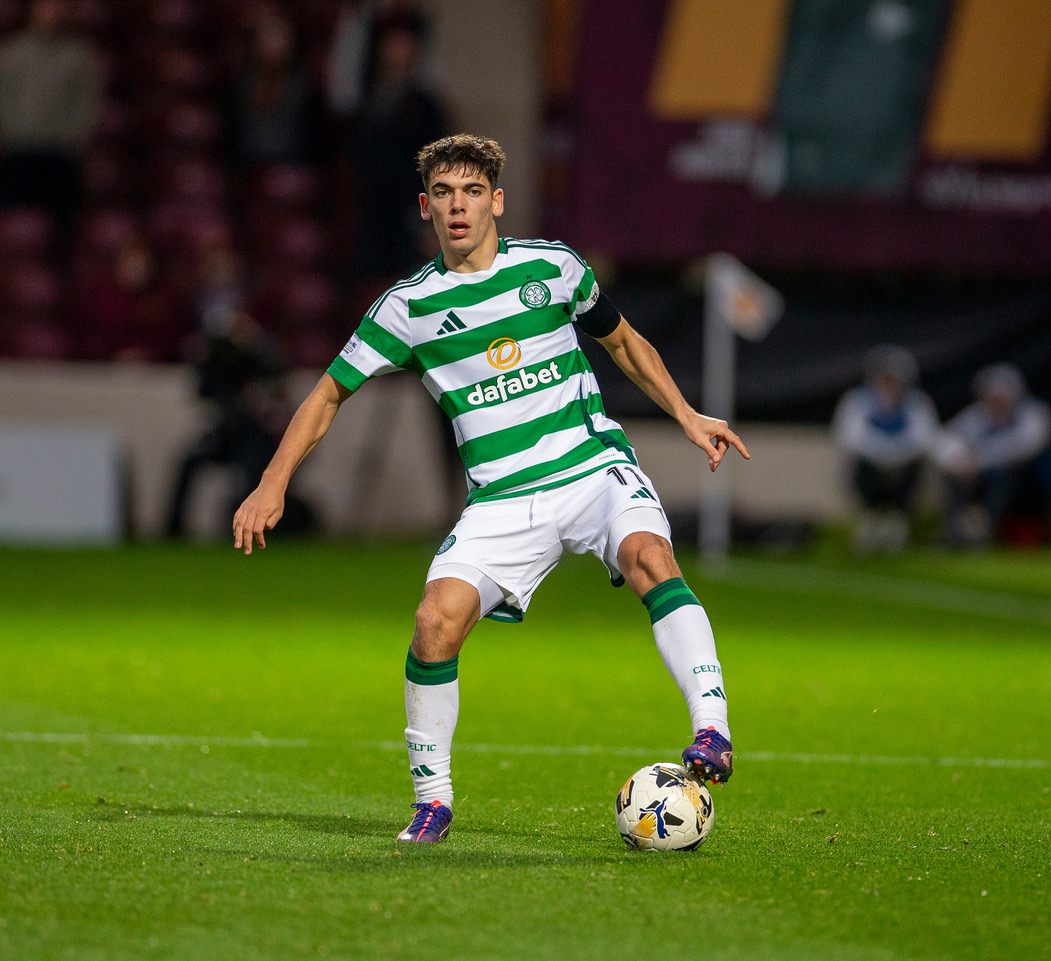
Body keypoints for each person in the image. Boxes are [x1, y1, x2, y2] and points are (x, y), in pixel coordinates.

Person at [232, 134, 749, 843]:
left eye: (472, 192)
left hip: (591, 467)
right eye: (443, 194)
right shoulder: (405, 309)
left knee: (649, 558)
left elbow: (624, 341)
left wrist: (686, 415)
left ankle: (712, 730)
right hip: (502, 500)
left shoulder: (553, 267)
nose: (458, 206)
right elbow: (326, 395)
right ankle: (433, 800)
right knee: (433, 621)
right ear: (424, 206)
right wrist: (272, 482)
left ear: (496, 201)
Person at [0, 0, 103, 242]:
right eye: (45, 7)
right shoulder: (13, 53)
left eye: (56, 7)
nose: (51, 13)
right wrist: (9, 131)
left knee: (64, 225)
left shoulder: (79, 56)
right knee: (16, 222)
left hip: (61, 153)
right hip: (20, 150)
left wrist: (74, 136)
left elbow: (88, 102)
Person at [831, 344, 939, 553]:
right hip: (870, 463)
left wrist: (896, 454)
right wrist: (882, 452)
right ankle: (869, 518)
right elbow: (848, 436)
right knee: (858, 467)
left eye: (893, 379)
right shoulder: (858, 400)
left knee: (913, 469)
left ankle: (897, 521)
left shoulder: (916, 403)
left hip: (904, 465)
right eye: (884, 378)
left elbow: (925, 439)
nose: (888, 384)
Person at [935, 363, 1051, 547]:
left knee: (1009, 475)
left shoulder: (1032, 414)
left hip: (1025, 480)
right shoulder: (976, 416)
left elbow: (1024, 447)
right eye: (991, 398)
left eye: (1001, 398)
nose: (996, 403)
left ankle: (986, 526)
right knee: (953, 478)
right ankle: (957, 527)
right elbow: (946, 439)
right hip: (979, 477)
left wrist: (977, 461)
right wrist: (958, 461)